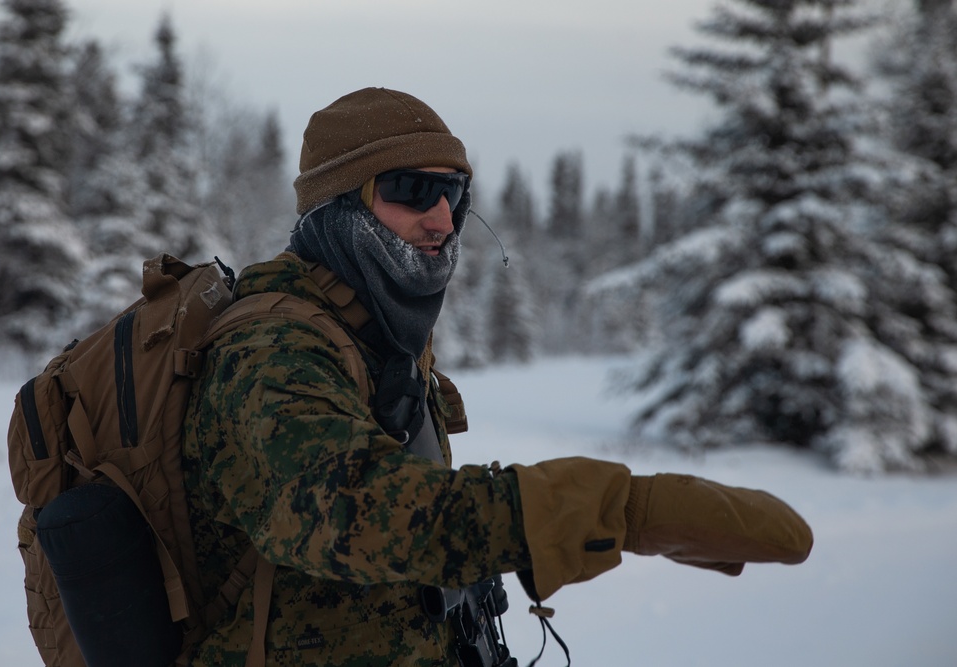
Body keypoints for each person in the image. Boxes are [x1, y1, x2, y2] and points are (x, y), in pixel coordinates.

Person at [181, 87, 813, 666]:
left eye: (454, 194)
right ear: (338, 205)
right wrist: (622, 511)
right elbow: (347, 508)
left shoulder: (375, 338)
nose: (442, 220)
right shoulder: (270, 349)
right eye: (408, 189)